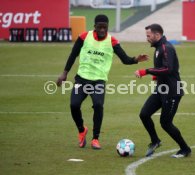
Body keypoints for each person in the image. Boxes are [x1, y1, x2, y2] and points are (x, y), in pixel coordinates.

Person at [56, 14, 148, 149]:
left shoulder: (112, 41)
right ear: (94, 27)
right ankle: (82, 130)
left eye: (105, 27)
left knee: (98, 105)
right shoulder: (84, 37)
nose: (102, 30)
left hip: (98, 81)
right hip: (81, 79)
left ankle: (95, 139)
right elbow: (73, 54)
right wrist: (64, 73)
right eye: (100, 27)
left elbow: (125, 59)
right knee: (74, 105)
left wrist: (136, 59)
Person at [135, 24, 191, 158]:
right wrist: (156, 75)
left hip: (172, 92)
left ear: (157, 35)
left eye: (148, 36)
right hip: (161, 89)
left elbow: (168, 68)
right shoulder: (158, 48)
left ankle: (185, 149)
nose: (147, 38)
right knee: (144, 114)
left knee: (165, 123)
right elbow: (162, 69)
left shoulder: (166, 48)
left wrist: (146, 71)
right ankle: (155, 141)